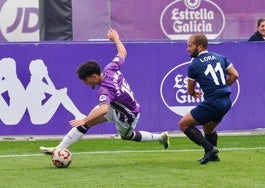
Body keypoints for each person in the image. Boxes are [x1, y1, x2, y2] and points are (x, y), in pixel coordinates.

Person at [40, 28, 169, 155]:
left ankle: (160, 137)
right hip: (114, 106)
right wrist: (116, 39)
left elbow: (103, 110)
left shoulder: (105, 90)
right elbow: (123, 53)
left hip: (127, 115)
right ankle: (58, 149)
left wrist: (84, 119)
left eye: (85, 80)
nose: (85, 83)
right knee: (88, 122)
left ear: (94, 77)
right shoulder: (110, 68)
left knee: (126, 136)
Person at [178, 34, 239, 164]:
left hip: (213, 102)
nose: (188, 49)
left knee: (183, 124)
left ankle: (210, 148)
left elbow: (190, 90)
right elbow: (235, 74)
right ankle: (213, 156)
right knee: (208, 128)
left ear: (199, 47)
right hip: (226, 101)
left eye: (190, 46)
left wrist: (193, 93)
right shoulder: (220, 57)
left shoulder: (194, 65)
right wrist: (223, 86)